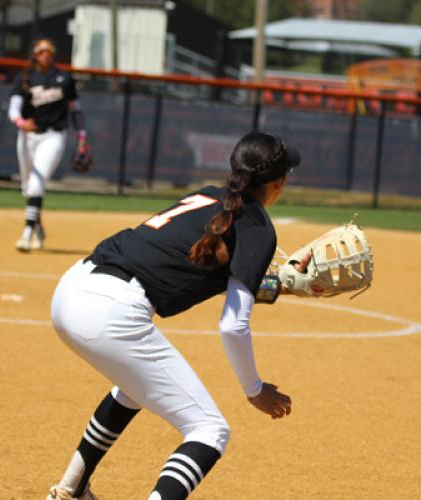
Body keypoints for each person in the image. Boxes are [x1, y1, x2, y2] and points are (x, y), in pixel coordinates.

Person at [47, 131, 310, 500]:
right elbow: (233, 324)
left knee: (134, 389)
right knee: (209, 430)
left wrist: (280, 283)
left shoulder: (207, 196)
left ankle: (70, 490)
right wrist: (254, 390)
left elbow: (203, 268)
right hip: (111, 311)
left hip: (71, 289)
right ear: (278, 183)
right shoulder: (258, 224)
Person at [8, 37, 88, 252]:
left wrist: (82, 138)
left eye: (49, 51)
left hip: (54, 135)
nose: (46, 54)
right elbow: (13, 108)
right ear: (35, 53)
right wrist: (20, 122)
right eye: (42, 51)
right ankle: (38, 226)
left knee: (36, 181)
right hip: (27, 137)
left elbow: (76, 110)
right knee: (29, 188)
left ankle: (26, 233)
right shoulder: (25, 77)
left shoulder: (64, 78)